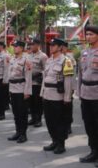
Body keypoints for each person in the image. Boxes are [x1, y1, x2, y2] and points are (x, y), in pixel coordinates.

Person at [41, 38, 74, 154]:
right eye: (50, 45)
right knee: (49, 120)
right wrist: (42, 93)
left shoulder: (66, 61)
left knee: (59, 121)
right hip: (47, 95)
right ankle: (54, 141)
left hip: (58, 96)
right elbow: (45, 79)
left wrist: (67, 97)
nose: (51, 47)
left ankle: (61, 144)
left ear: (60, 47)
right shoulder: (49, 60)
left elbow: (68, 81)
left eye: (54, 45)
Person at [78, 25, 98, 165]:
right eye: (87, 34)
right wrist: (79, 92)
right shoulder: (84, 53)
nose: (88, 36)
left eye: (91, 34)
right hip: (85, 93)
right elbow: (80, 74)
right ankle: (93, 151)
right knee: (89, 125)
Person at [8, 40, 32, 143]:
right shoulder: (13, 59)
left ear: (22, 48)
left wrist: (27, 92)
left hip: (21, 89)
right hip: (13, 89)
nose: (14, 48)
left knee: (22, 113)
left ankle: (23, 134)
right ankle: (17, 132)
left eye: (16, 46)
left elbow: (28, 77)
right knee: (16, 113)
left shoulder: (26, 60)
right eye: (14, 46)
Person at [27, 39, 48, 127]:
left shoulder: (43, 56)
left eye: (33, 44)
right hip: (29, 83)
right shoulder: (29, 56)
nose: (31, 46)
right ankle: (33, 118)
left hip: (37, 83)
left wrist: (40, 76)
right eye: (30, 44)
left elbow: (46, 69)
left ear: (38, 45)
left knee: (37, 102)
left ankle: (38, 119)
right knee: (30, 102)